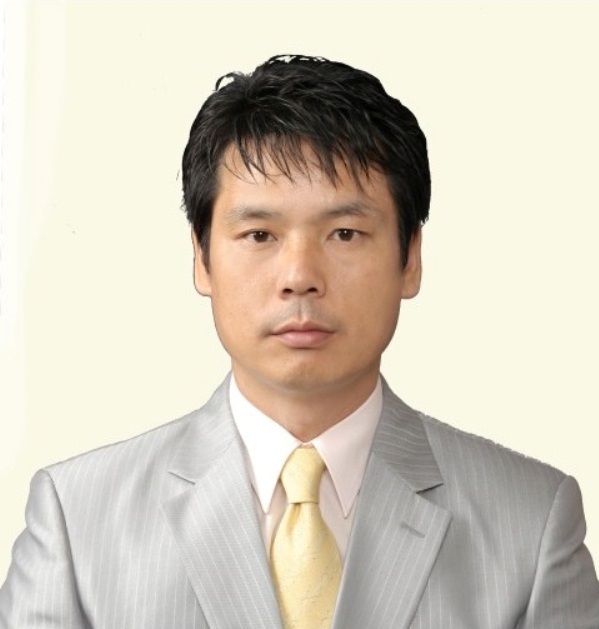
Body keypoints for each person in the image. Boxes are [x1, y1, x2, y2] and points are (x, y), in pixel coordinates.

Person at [1, 54, 598, 629]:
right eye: (260, 235)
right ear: (202, 259)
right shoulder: (76, 521)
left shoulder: (532, 523)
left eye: (345, 233)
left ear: (410, 258)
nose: (300, 276)